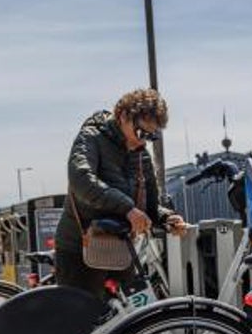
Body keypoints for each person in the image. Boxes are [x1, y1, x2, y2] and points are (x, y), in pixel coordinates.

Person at [55, 88, 187, 299]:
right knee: (81, 323)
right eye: (142, 133)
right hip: (79, 249)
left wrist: (166, 217)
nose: (145, 142)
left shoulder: (142, 155)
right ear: (124, 116)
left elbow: (150, 208)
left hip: (119, 250)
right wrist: (127, 208)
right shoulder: (92, 137)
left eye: (152, 136)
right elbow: (80, 179)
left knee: (131, 320)